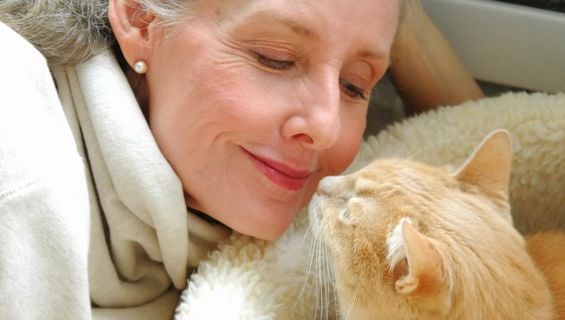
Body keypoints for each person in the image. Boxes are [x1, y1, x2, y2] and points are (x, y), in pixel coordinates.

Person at [0, 0, 482, 319]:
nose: (326, 127)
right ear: (140, 17)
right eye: (275, 58)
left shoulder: (230, 174)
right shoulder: (21, 166)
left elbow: (490, 187)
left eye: (355, 84)